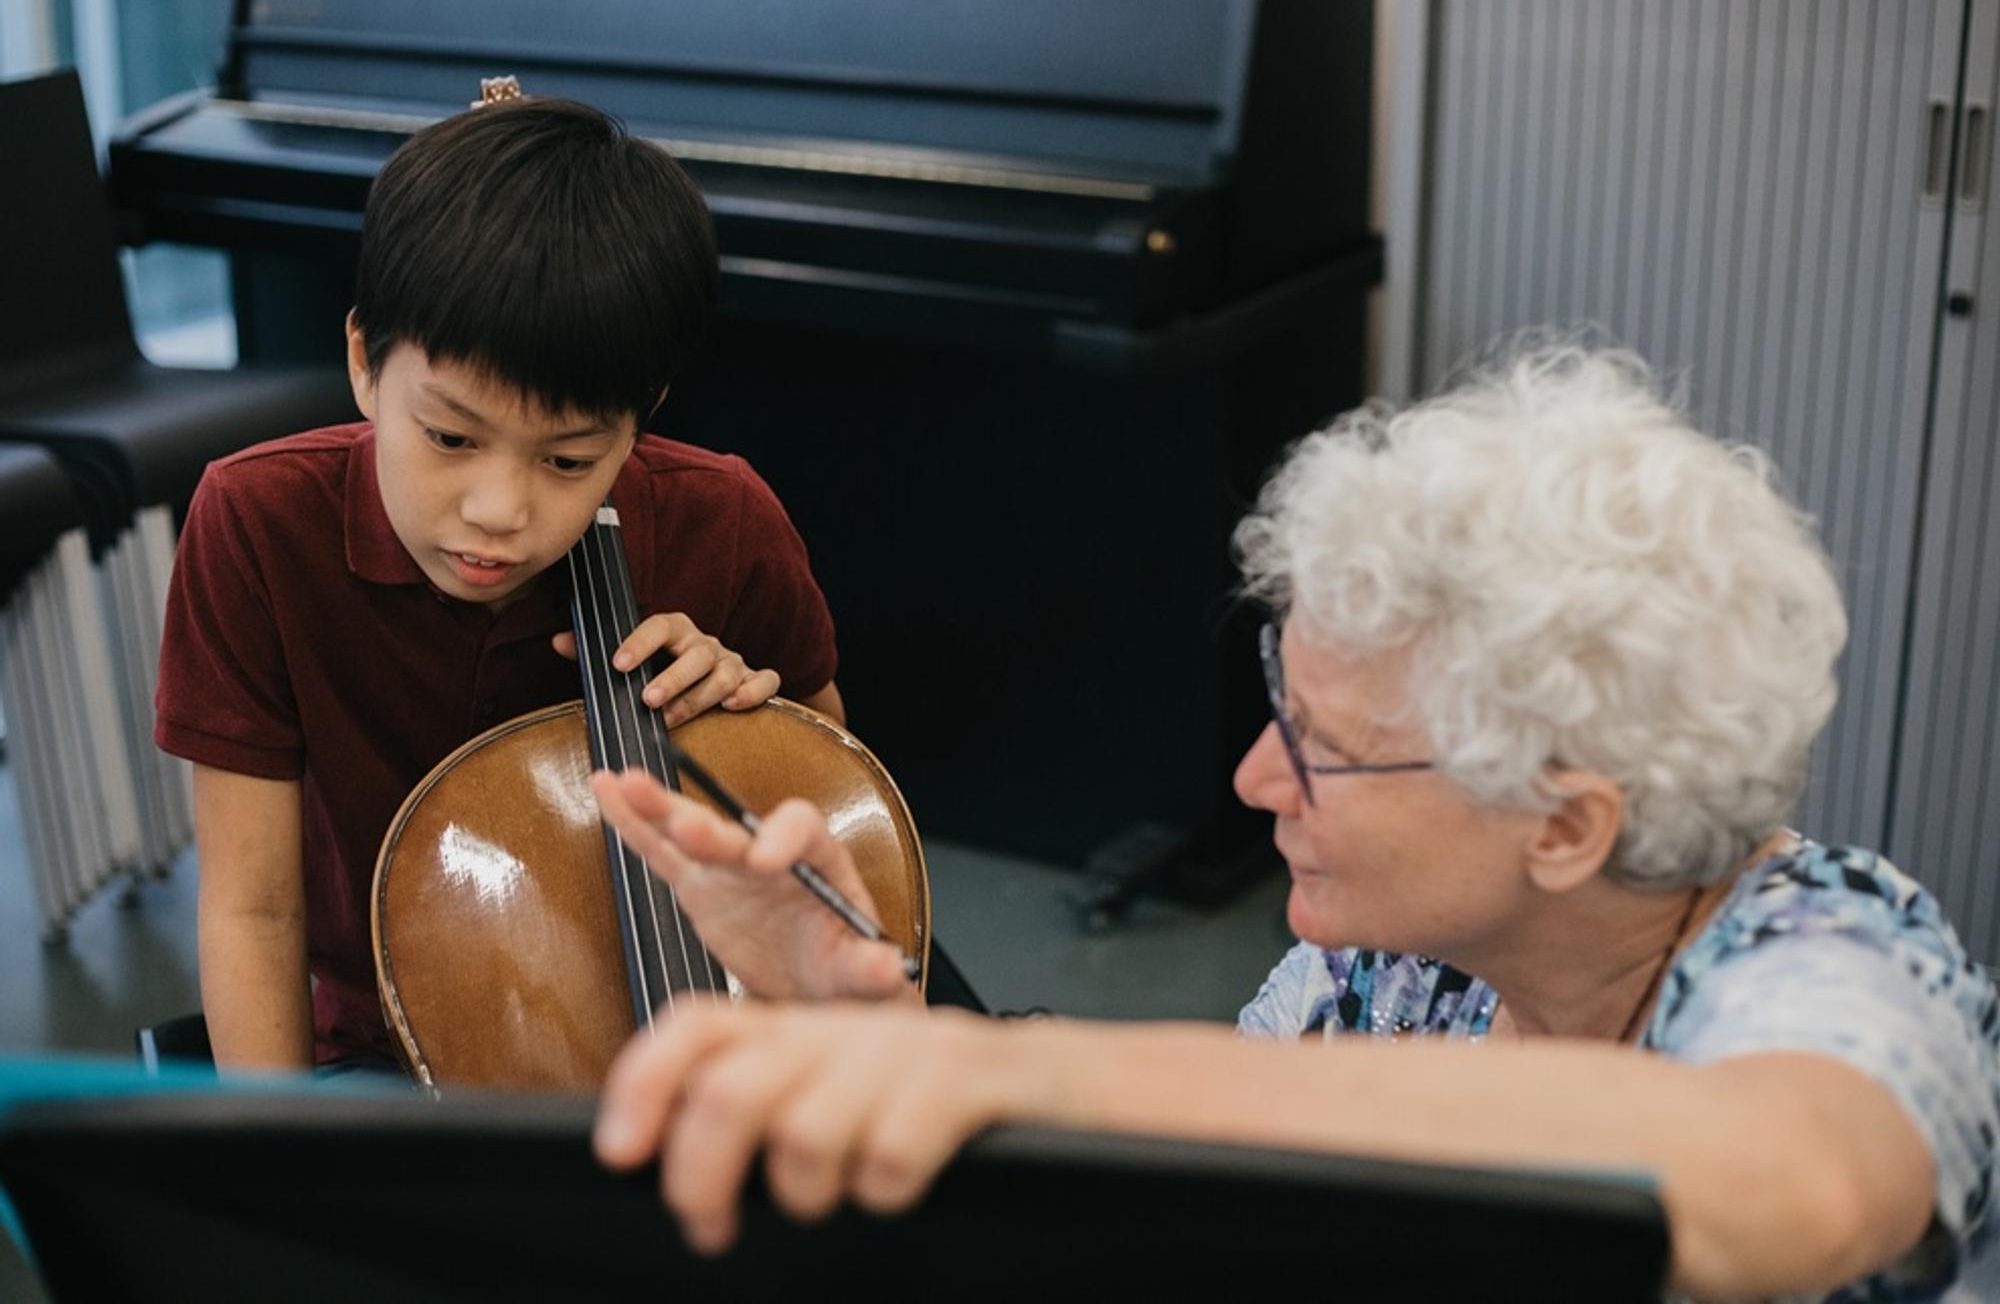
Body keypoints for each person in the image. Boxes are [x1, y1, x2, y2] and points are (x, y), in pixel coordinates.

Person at [584, 345, 1999, 1301]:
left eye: (1323, 750)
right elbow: (1207, 1175)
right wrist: (886, 1033)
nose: (1258, 779)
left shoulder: (1837, 957)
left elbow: (1795, 1175)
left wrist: (1028, 1084)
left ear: (1565, 827)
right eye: (1281, 706)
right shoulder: (1397, 956)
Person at [154, 93, 845, 1075]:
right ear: (364, 362)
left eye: (568, 459)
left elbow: (840, 826)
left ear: (638, 416)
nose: (497, 510)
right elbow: (254, 909)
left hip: (704, 1025)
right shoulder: (257, 523)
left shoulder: (721, 520)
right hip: (390, 1043)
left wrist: (744, 731)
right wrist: (289, 1168)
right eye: (449, 437)